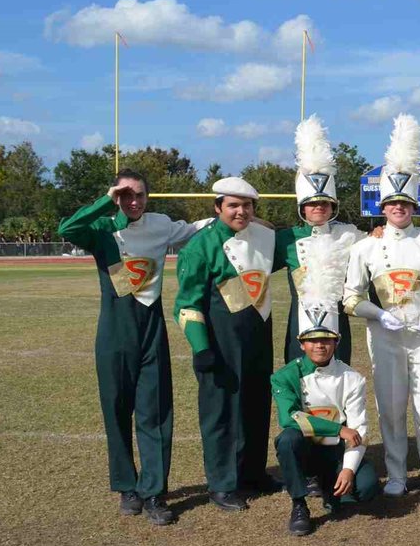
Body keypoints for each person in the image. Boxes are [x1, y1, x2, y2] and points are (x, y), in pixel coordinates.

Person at [58, 169, 210, 525]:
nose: (134, 201)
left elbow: (197, 229)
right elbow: (67, 229)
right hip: (114, 331)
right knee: (116, 410)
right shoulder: (102, 228)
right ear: (115, 196)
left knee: (154, 412)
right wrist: (105, 201)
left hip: (151, 328)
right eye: (126, 195)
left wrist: (238, 213)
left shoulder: (161, 225)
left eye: (139, 194)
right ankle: (127, 486)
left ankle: (154, 491)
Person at [342, 114, 420, 501]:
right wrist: (379, 314)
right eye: (393, 202)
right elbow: (351, 299)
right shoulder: (365, 247)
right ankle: (396, 474)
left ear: (414, 205)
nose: (399, 208)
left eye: (405, 203)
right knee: (391, 408)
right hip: (384, 336)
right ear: (383, 206)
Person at [174, 176, 279, 512]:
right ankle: (221, 483)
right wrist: (201, 348)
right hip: (220, 343)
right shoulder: (199, 246)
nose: (241, 211)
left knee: (256, 405)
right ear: (217, 207)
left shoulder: (264, 237)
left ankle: (253, 473)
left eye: (247, 205)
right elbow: (186, 304)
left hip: (258, 339)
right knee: (220, 413)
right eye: (233, 205)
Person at [271, 286, 377, 536]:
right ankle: (299, 504)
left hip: (336, 451)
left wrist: (348, 469)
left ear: (336, 342)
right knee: (287, 440)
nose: (320, 345)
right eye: (313, 340)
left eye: (327, 340)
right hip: (306, 450)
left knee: (367, 488)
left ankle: (332, 486)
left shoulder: (352, 378)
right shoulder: (285, 376)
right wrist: (339, 429)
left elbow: (359, 429)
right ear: (302, 344)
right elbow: (290, 418)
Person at [275, 115, 360, 365]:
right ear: (302, 207)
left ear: (333, 206)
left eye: (324, 202)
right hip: (299, 322)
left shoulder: (349, 235)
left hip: (337, 322)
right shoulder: (286, 238)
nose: (319, 207)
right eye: (312, 203)